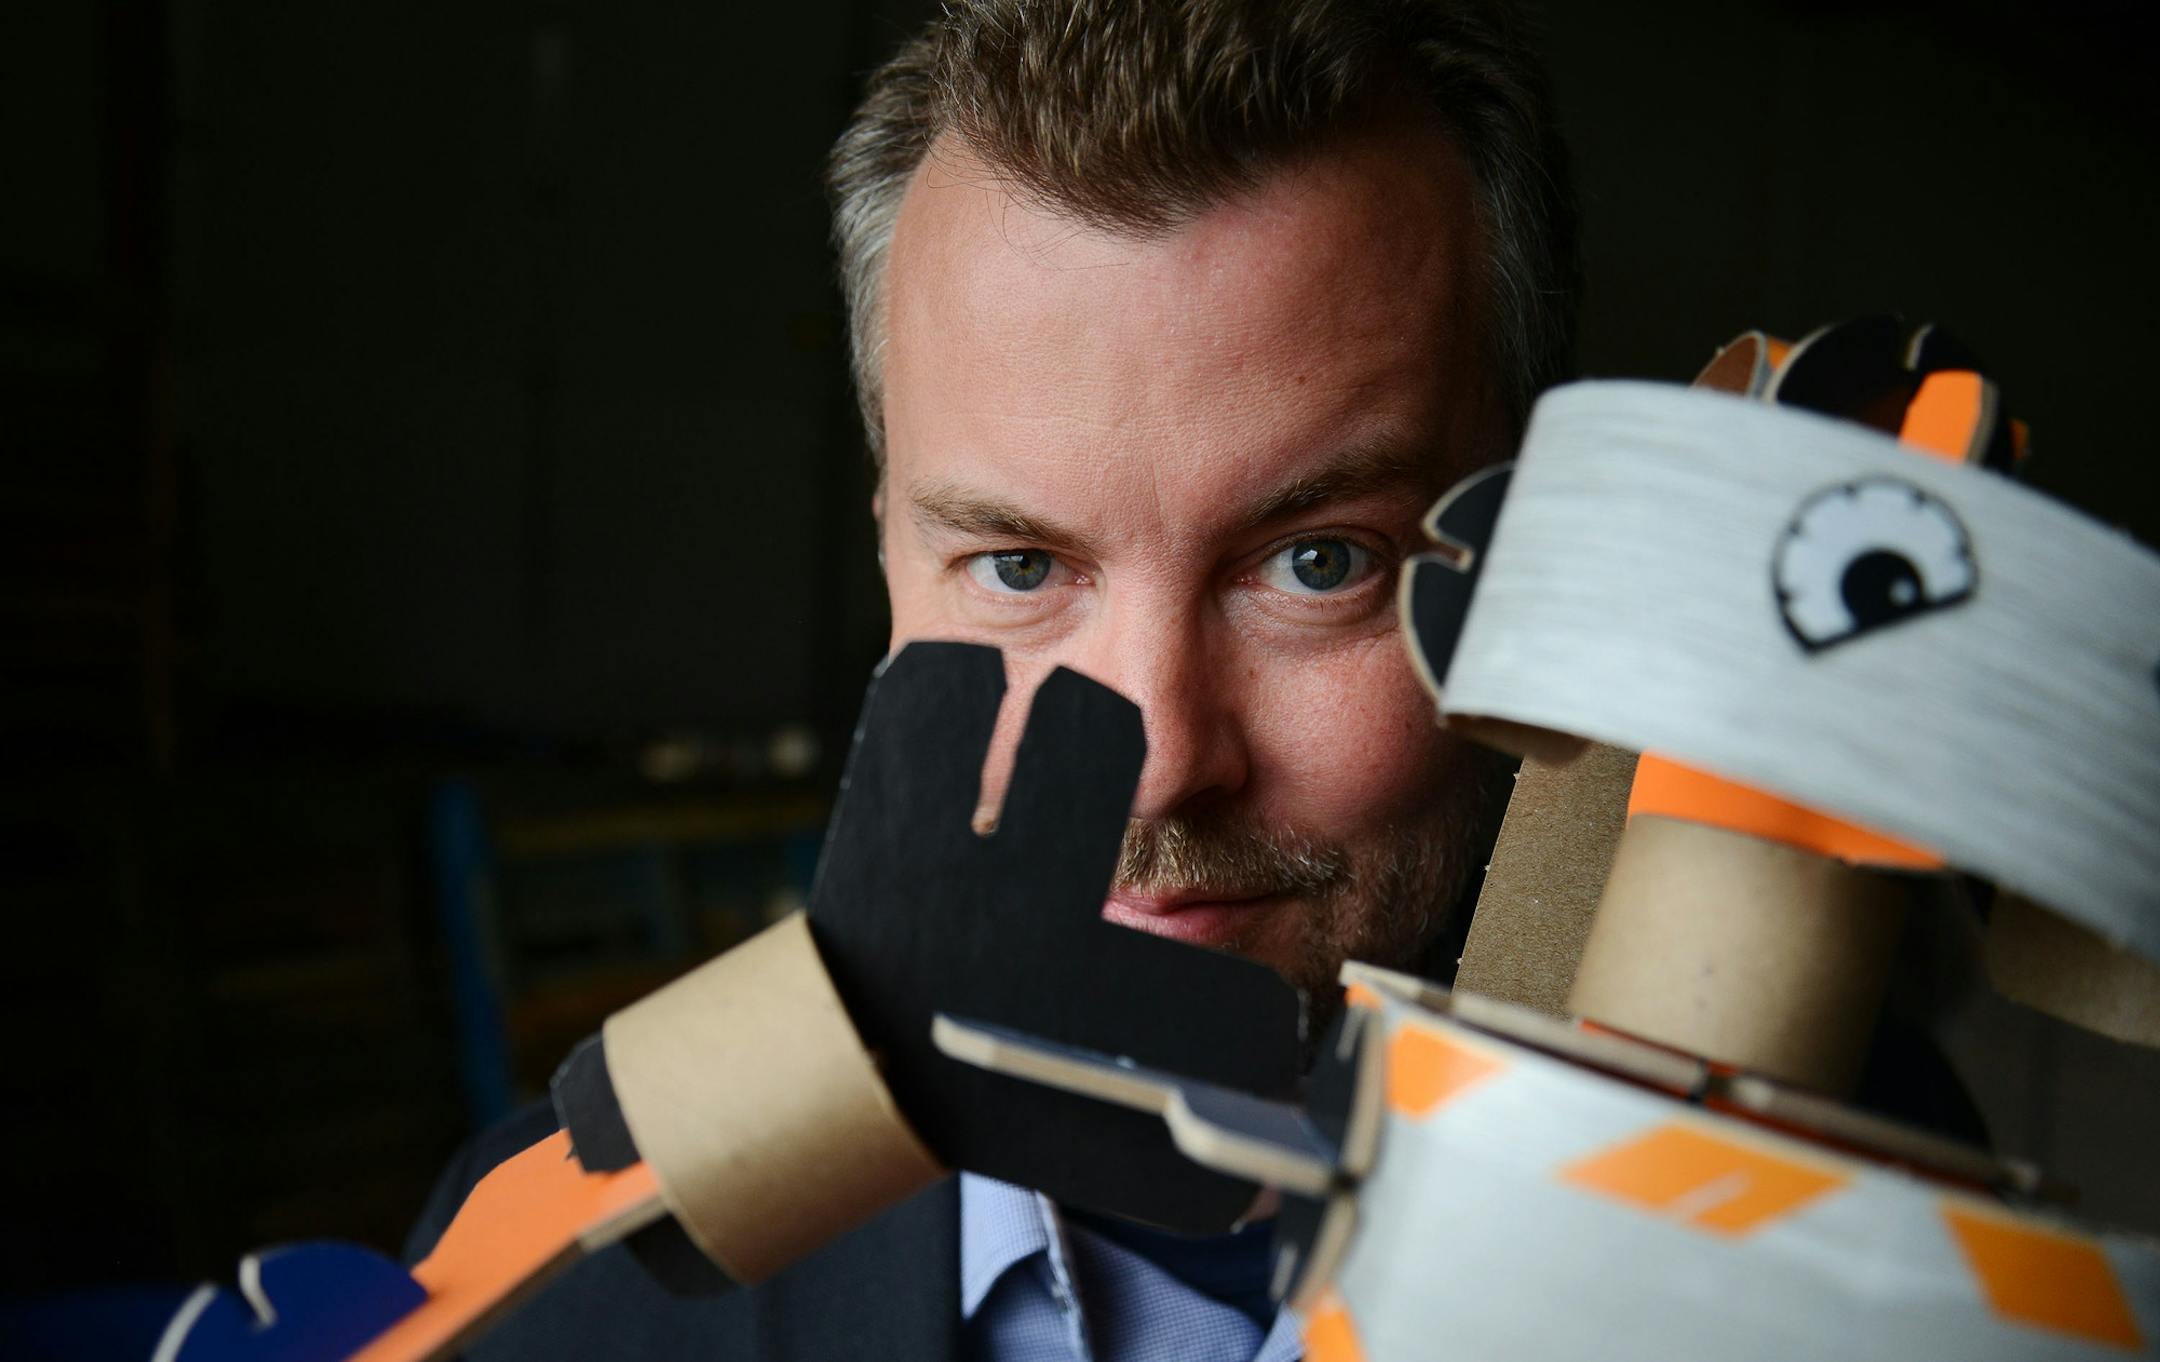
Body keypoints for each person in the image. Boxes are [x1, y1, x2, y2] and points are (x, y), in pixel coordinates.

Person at [407, 2, 1578, 1357]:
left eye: (1320, 561)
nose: (1158, 756)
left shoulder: (1867, 1278)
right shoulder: (539, 1300)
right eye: (1020, 568)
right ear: (892, 565)